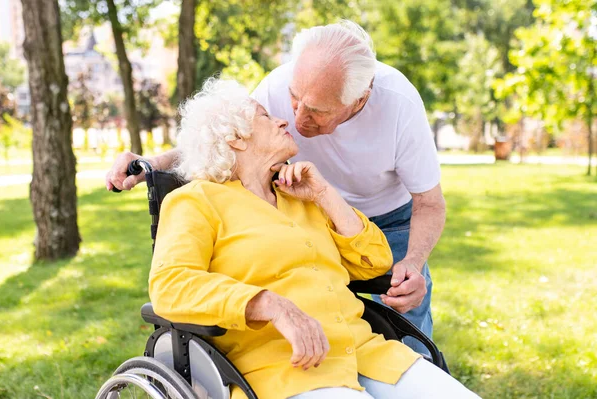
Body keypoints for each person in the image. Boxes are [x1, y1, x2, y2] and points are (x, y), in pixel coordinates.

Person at [107, 20, 445, 355]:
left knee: (408, 308)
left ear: (358, 101)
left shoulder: (398, 105)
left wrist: (413, 264)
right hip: (310, 209)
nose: (295, 120)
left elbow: (429, 203)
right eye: (293, 101)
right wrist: (153, 161)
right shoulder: (280, 85)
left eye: (316, 111)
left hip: (386, 215)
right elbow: (222, 132)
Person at [149, 78, 478, 399]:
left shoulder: (300, 193)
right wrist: (272, 306)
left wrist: (325, 194)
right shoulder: (196, 201)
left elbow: (376, 262)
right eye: (265, 116)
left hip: (367, 353)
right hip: (286, 368)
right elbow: (170, 285)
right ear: (235, 136)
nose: (282, 120)